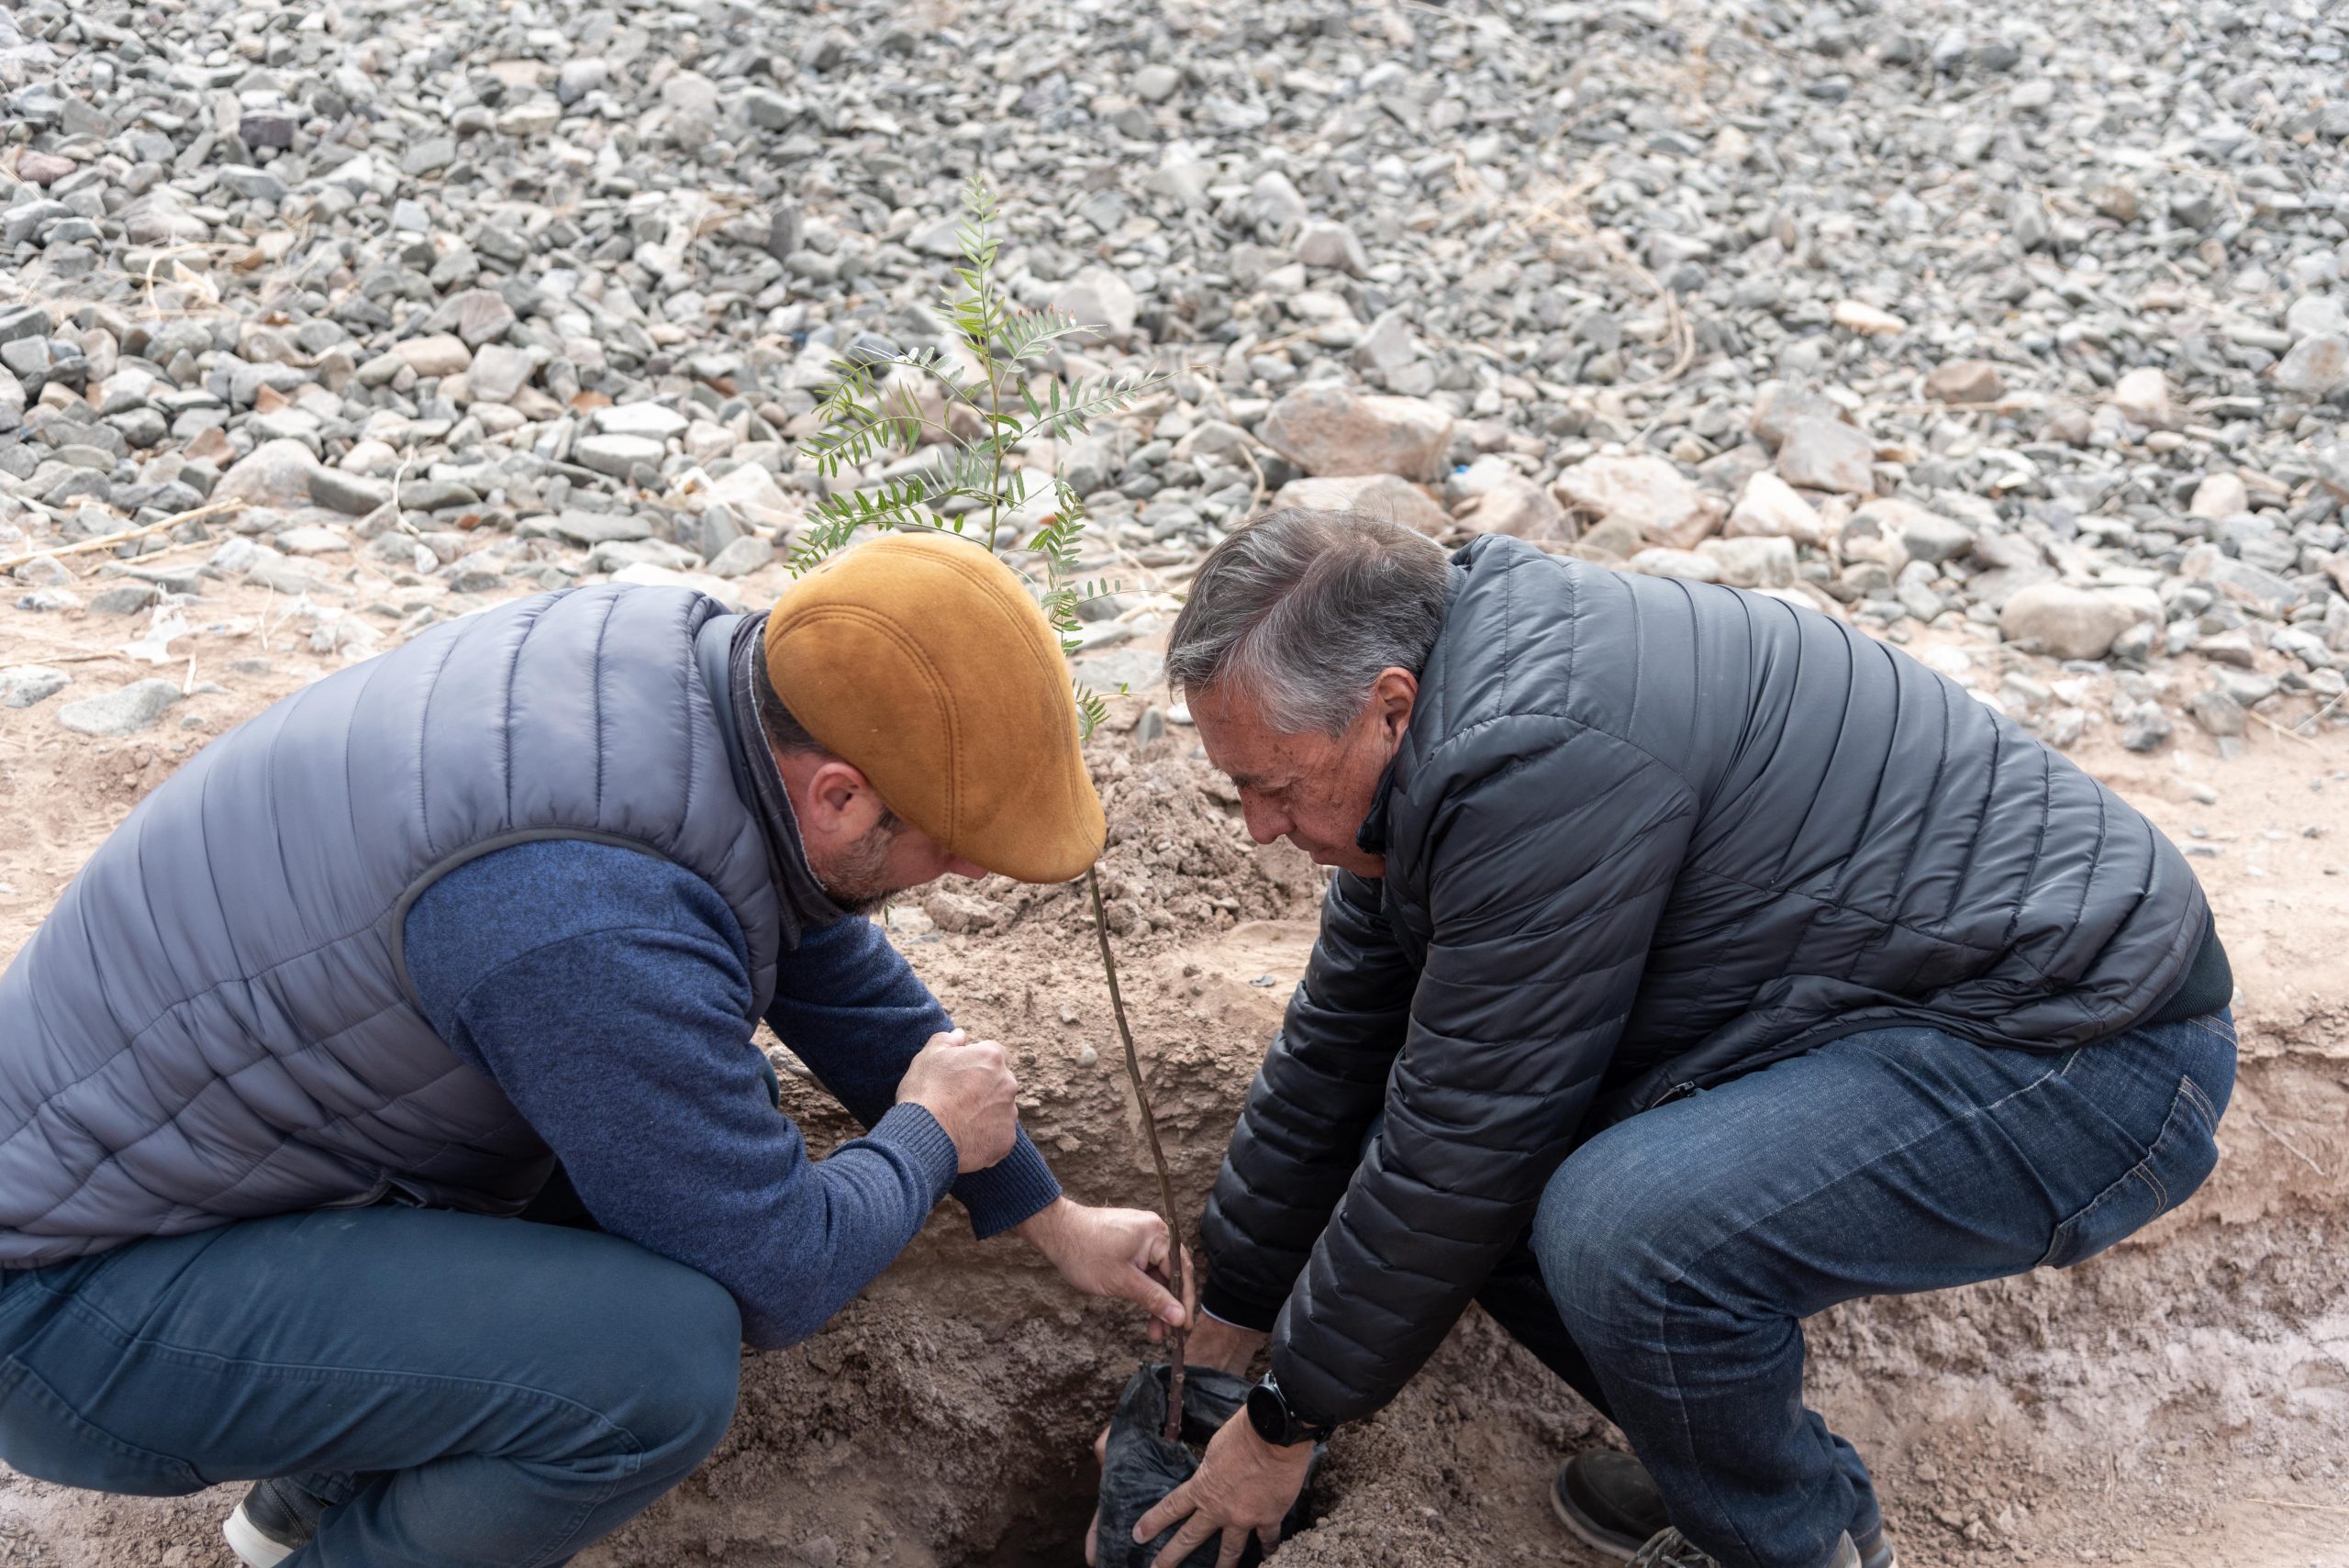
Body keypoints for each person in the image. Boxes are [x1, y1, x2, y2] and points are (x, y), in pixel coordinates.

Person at [0, 532, 1186, 1568]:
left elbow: (814, 950)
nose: (970, 872)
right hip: (63, 1309)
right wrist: (927, 1135)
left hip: (188, 1194)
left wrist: (1049, 1213)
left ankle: (298, 1505)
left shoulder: (688, 677)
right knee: (654, 1364)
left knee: (659, 1137)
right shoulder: (584, 909)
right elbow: (778, 1274)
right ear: (838, 795)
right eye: (955, 845)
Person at [1130, 509, 2232, 1568]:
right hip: (1924, 1006)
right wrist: (1224, 1333)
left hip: (2086, 1051)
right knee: (1509, 1195)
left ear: (1386, 705)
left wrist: (1281, 1425)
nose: (1259, 828)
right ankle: (1774, 1498)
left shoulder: (1532, 761)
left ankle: (1785, 1539)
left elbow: (1462, 1147)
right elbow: (1338, 1049)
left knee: (1624, 1227)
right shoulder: (1442, 741)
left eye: (1271, 786)